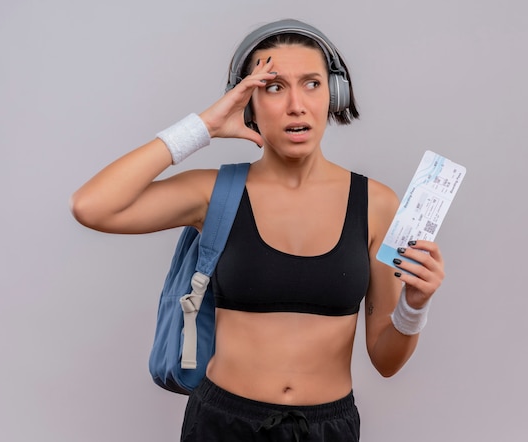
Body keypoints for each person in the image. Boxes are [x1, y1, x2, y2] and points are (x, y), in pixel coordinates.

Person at [70, 18, 445, 442]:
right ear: (247, 101)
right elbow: (91, 206)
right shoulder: (216, 193)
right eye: (273, 87)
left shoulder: (377, 205)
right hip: (222, 425)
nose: (296, 105)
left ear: (334, 95)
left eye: (311, 84)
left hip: (328, 429)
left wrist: (414, 306)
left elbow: (386, 360)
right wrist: (203, 127)